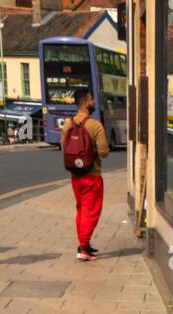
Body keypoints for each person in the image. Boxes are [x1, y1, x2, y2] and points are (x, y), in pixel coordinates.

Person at [61, 88, 110, 261]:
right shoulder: (95, 125)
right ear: (85, 102)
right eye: (92, 100)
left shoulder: (67, 124)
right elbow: (104, 152)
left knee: (81, 210)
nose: (94, 102)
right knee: (92, 211)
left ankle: (85, 244)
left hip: (75, 176)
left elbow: (64, 150)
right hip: (92, 174)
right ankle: (83, 248)